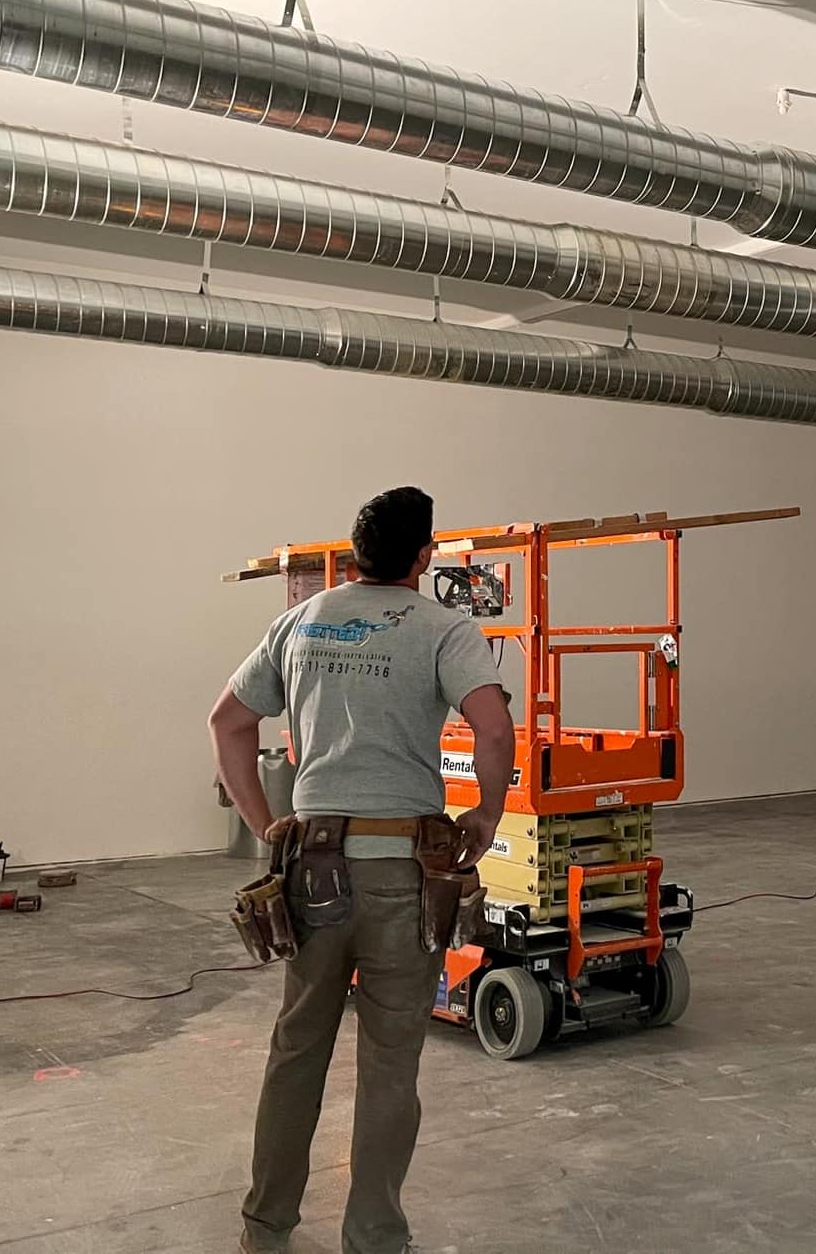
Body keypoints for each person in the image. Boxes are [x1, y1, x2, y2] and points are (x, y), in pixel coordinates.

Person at [209, 486, 516, 1254]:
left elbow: (228, 721)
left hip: (310, 874)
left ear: (352, 554)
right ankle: (375, 1238)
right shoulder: (445, 628)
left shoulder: (300, 621)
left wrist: (264, 825)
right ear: (425, 556)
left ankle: (265, 1229)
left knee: (296, 1051)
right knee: (390, 1065)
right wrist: (485, 813)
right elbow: (492, 724)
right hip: (401, 880)